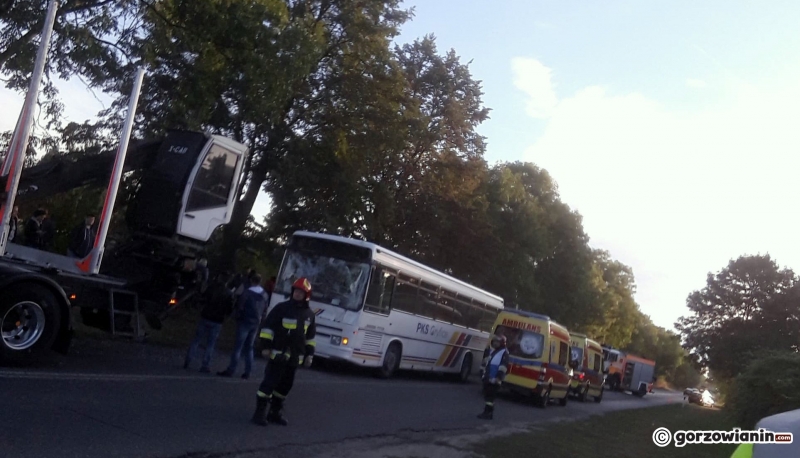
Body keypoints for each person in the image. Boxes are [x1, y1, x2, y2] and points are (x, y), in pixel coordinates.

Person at [251, 277, 316, 426]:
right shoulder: (281, 308)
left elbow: (310, 337)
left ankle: (275, 413)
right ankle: (259, 413)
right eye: (296, 291)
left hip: (294, 359)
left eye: (301, 292)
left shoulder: (309, 315)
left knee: (284, 387)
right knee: (269, 383)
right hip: (278, 355)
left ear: (306, 295)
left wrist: (309, 355)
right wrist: (265, 347)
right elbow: (267, 328)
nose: (297, 294)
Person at [218, 273, 267, 379]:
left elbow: (240, 307)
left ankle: (231, 369)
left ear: (251, 281)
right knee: (249, 348)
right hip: (255, 323)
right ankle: (247, 372)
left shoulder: (247, 293)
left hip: (245, 322)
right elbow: (264, 310)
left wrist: (236, 317)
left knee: (237, 347)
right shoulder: (264, 295)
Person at [184, 273, 234, 372]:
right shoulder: (228, 293)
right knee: (211, 343)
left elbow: (203, 299)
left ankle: (188, 359)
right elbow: (229, 308)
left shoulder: (211, 288)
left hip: (206, 315)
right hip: (217, 320)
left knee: (196, 340)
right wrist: (226, 316)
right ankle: (205, 364)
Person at [477, 334, 509, 420]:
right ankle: (488, 413)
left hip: (495, 379)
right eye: (494, 341)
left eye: (497, 342)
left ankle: (487, 413)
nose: (495, 343)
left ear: (502, 343)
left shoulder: (504, 352)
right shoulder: (492, 351)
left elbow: (503, 367)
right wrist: (482, 373)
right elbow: (486, 363)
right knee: (487, 396)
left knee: (490, 397)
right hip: (488, 377)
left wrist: (498, 377)